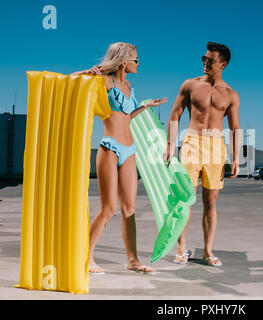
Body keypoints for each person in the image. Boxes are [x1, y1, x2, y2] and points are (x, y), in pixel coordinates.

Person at [72, 42, 167, 274]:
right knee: (108, 208)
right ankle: (84, 257)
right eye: (136, 60)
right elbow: (69, 81)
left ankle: (132, 260)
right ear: (124, 61)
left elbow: (128, 116)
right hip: (110, 148)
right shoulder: (106, 80)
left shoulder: (128, 86)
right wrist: (86, 72)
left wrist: (146, 106)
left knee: (129, 209)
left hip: (129, 148)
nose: (138, 63)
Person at [164, 42, 241, 267]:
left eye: (211, 60)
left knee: (211, 202)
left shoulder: (231, 95)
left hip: (216, 147)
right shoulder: (190, 85)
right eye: (204, 59)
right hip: (191, 143)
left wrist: (236, 158)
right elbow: (175, 114)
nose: (206, 63)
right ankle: (181, 247)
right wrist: (171, 145)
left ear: (223, 64)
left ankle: (207, 251)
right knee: (185, 198)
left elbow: (235, 128)